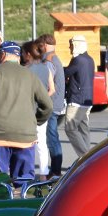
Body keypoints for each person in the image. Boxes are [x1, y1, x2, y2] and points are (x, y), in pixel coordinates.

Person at [0, 41, 51, 195]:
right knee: (24, 183)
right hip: (25, 136)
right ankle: (22, 205)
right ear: (18, 57)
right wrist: (37, 120)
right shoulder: (30, 75)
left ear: (3, 54)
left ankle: (1, 206)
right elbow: (48, 105)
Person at [22, 40, 53, 180]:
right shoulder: (46, 68)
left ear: (28, 54)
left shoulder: (25, 70)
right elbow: (52, 89)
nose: (22, 55)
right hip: (42, 109)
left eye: (23, 53)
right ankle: (43, 174)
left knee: (27, 143)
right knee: (42, 143)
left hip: (28, 110)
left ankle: (26, 173)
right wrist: (43, 98)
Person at [63, 33, 96, 157]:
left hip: (76, 99)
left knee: (70, 128)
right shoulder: (90, 59)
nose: (70, 48)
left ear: (76, 45)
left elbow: (66, 72)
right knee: (83, 129)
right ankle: (89, 156)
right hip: (87, 99)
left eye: (71, 45)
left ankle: (85, 156)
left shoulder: (77, 60)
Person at [39, 35, 66, 176]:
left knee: (52, 138)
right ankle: (55, 170)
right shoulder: (55, 58)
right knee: (53, 137)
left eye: (40, 45)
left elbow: (47, 84)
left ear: (44, 45)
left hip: (51, 104)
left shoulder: (49, 61)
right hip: (57, 103)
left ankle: (55, 171)